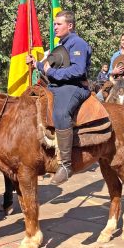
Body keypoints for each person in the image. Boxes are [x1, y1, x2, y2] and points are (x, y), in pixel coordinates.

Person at [27, 10, 91, 185]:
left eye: (58, 24)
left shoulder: (78, 43)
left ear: (69, 25)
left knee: (61, 113)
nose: (55, 27)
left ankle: (65, 164)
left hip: (74, 87)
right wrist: (37, 64)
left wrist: (50, 71)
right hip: (57, 85)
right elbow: (51, 67)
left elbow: (78, 71)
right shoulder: (60, 45)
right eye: (54, 24)